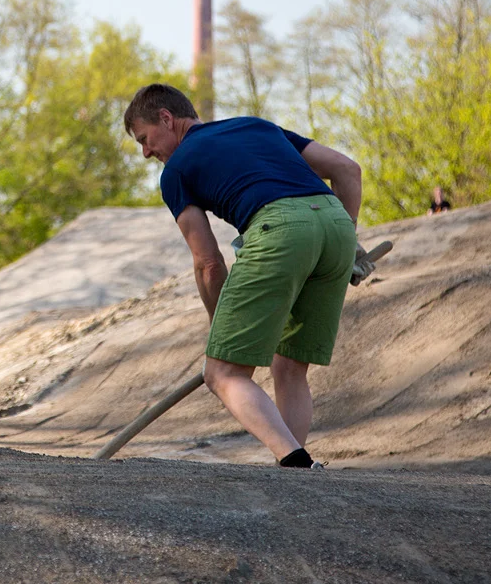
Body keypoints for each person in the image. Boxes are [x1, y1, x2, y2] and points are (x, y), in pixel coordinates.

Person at [124, 83, 362, 469]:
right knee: (289, 364)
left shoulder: (176, 170)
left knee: (223, 372)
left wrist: (222, 331)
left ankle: (295, 462)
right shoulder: (257, 126)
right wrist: (348, 240)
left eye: (144, 139)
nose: (147, 152)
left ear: (166, 118)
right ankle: (295, 473)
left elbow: (208, 263)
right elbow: (347, 169)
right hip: (335, 224)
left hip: (279, 229)